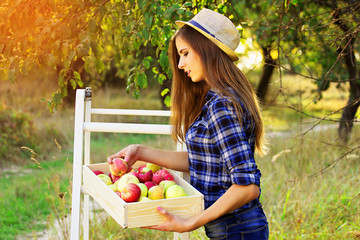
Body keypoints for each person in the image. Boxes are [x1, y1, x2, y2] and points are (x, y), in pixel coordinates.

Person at [108, 8, 269, 239]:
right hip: (231, 228)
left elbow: (248, 186)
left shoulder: (221, 105)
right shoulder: (216, 99)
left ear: (207, 50)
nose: (181, 64)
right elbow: (204, 160)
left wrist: (190, 222)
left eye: (185, 53)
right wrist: (141, 151)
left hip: (237, 229)